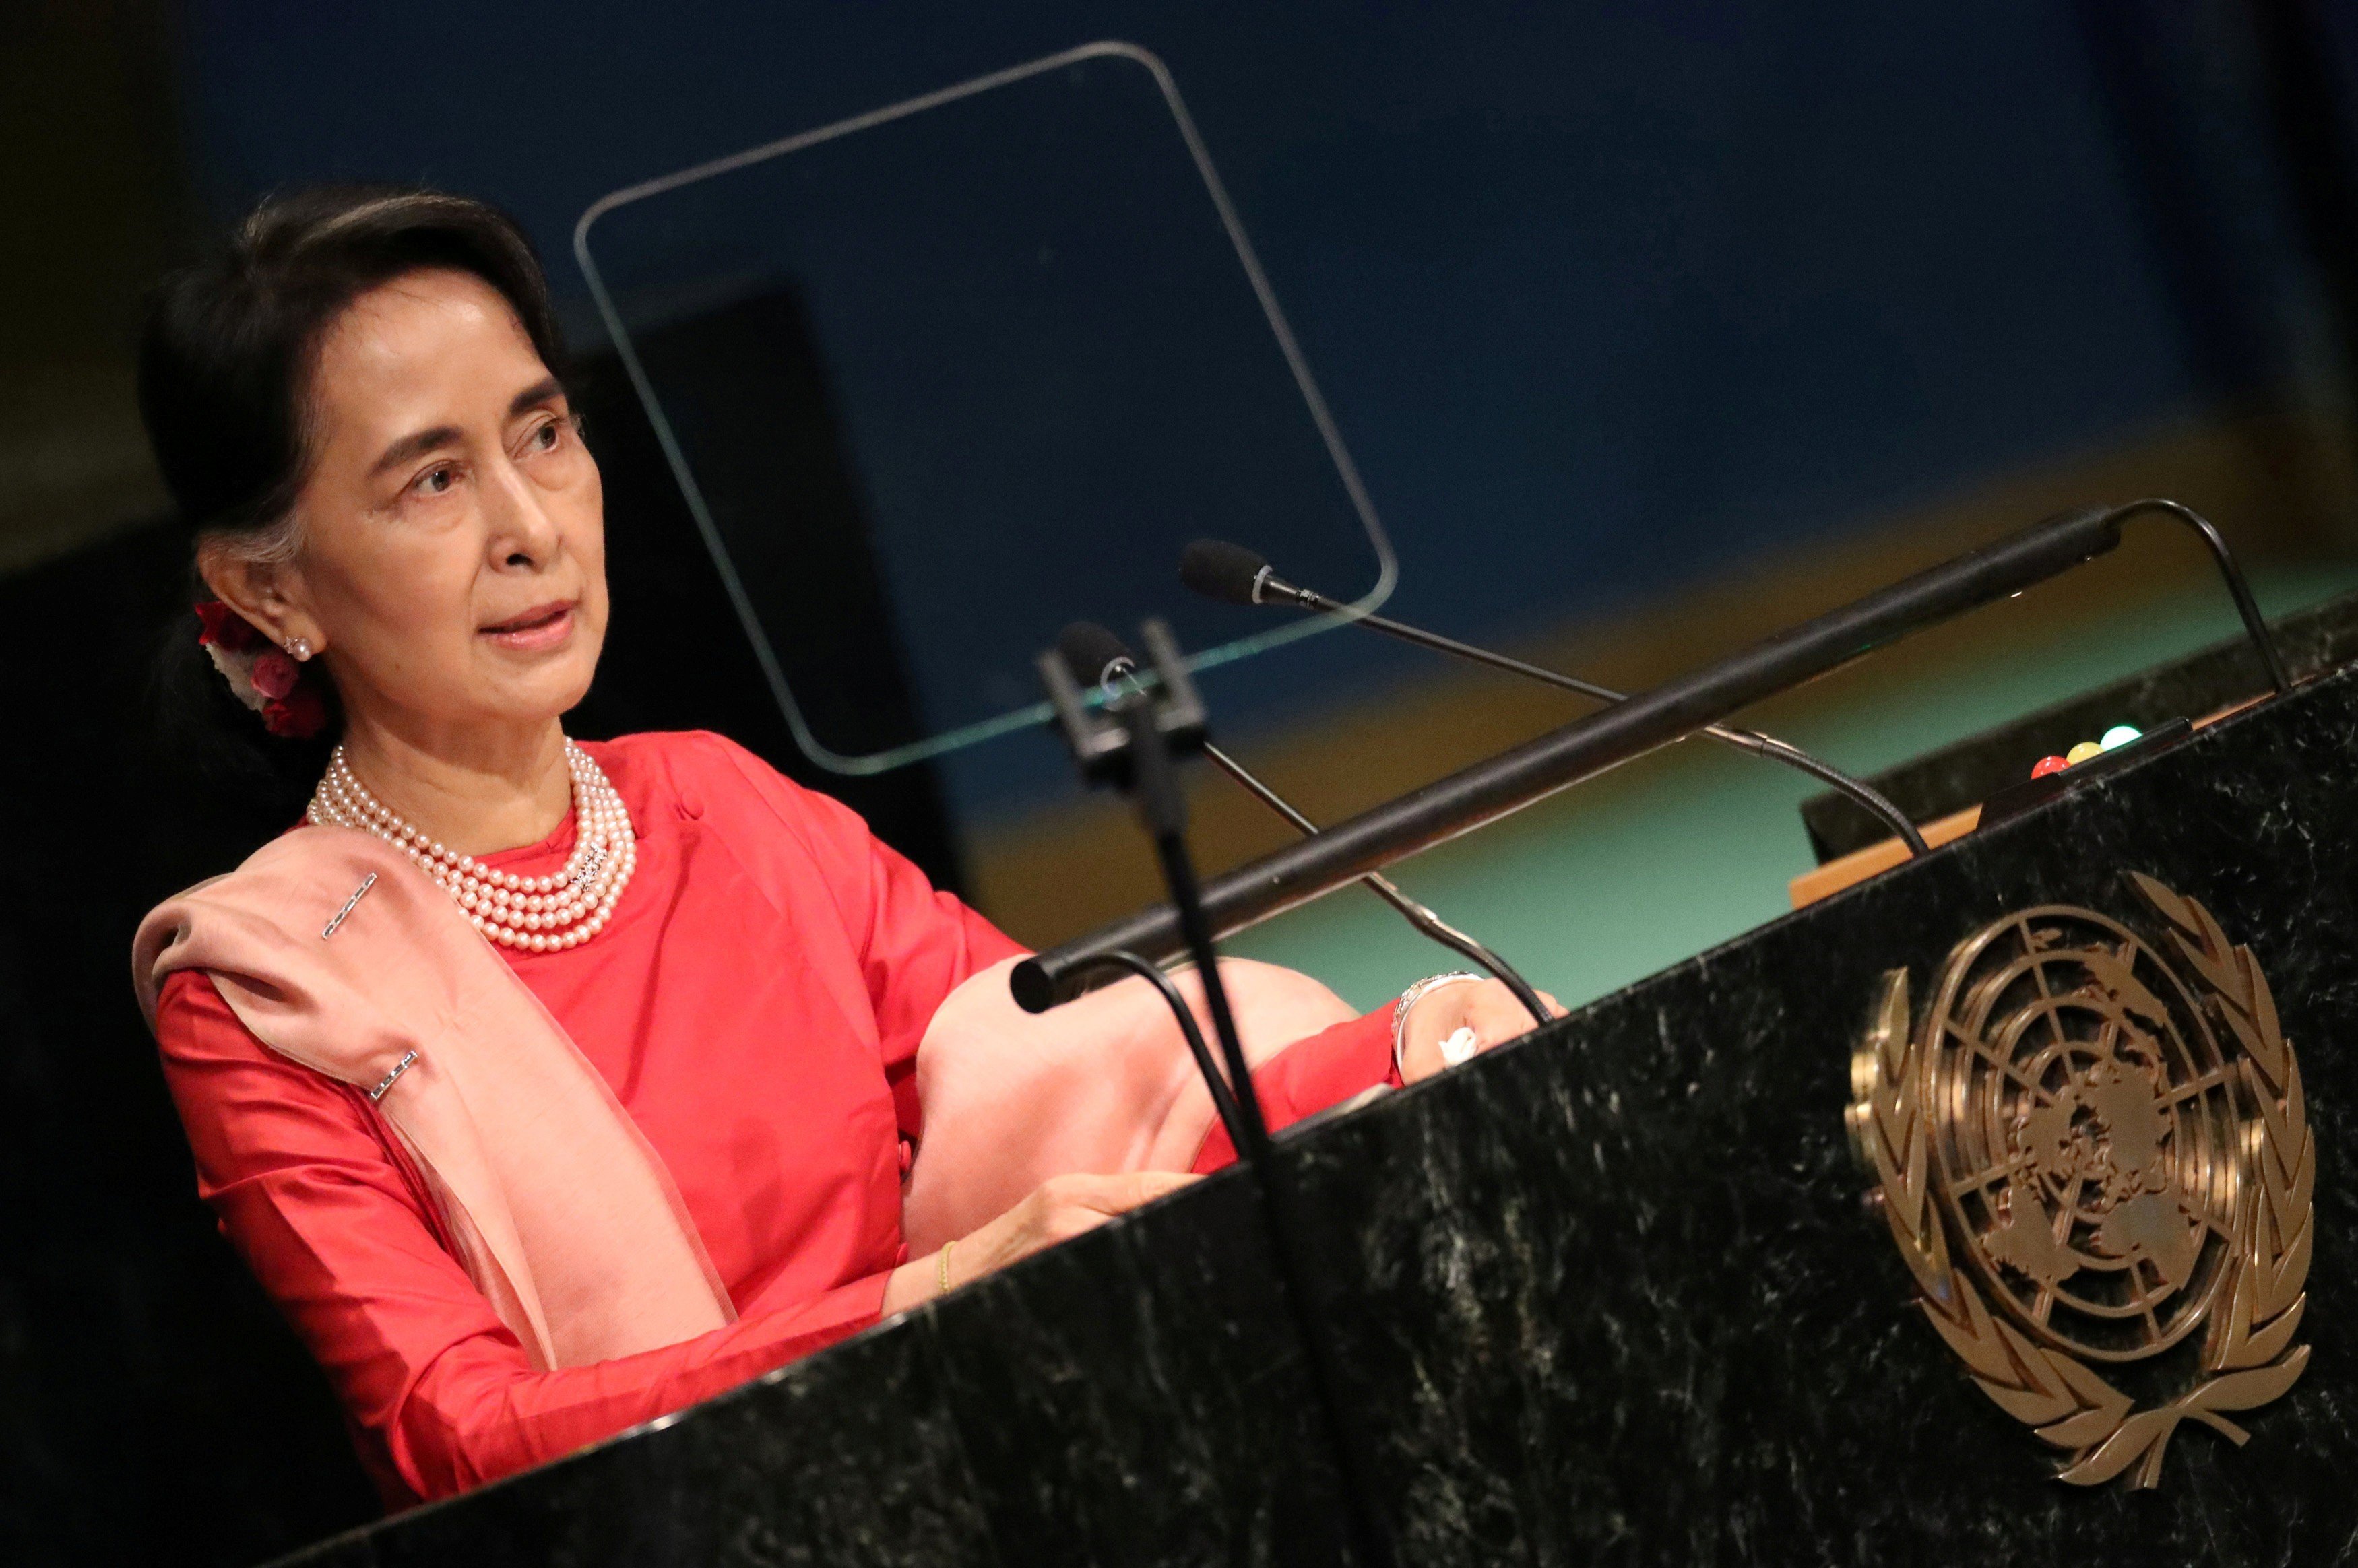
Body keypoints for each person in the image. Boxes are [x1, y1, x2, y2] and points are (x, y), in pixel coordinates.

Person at [130, 185, 1557, 1511]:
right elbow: (464, 1437)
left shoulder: (720, 807)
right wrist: (919, 1303)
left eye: (544, 434)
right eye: (430, 483)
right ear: (270, 588)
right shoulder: (266, 991)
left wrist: (1409, 1052)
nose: (530, 528)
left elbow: (1081, 1087)